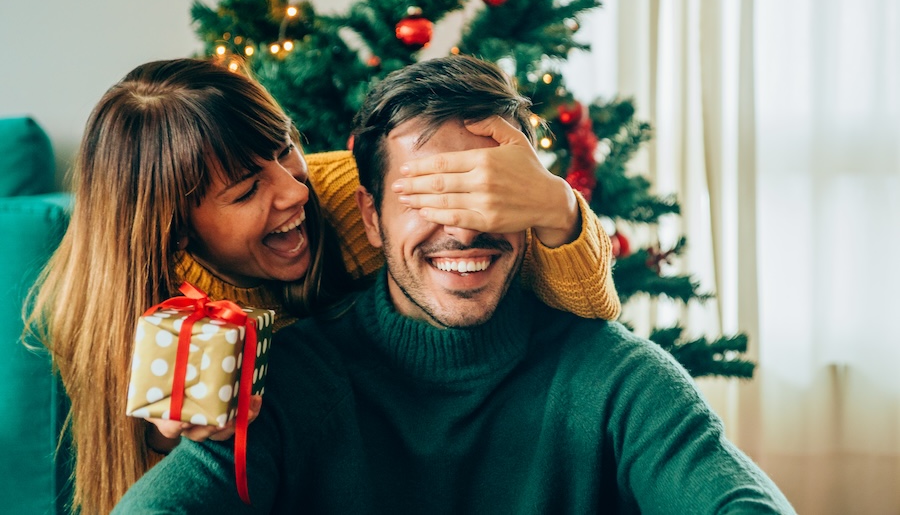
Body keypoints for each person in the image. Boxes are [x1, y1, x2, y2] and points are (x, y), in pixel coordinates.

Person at [113, 55, 795, 514]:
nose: (461, 229)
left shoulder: (614, 377)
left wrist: (559, 208)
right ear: (371, 217)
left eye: (485, 193)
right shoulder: (284, 384)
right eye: (425, 196)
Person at [25, 57, 621, 514]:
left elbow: (587, 312)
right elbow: (143, 489)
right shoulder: (131, 320)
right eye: (244, 191)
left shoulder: (360, 199)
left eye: (285, 152)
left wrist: (556, 204)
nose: (293, 193)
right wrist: (165, 441)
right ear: (178, 234)